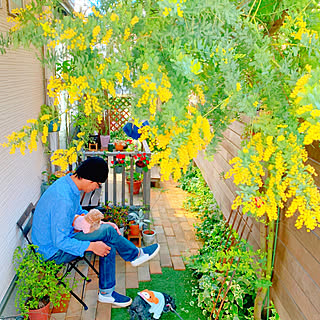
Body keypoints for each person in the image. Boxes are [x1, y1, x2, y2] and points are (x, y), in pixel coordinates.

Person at [32, 157, 160, 307]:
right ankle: (134, 256)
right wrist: (92, 246)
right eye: (97, 185)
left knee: (107, 235)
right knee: (107, 235)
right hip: (53, 252)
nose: (96, 188)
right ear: (90, 180)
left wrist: (100, 223)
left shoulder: (68, 185)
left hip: (64, 236)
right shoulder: (63, 198)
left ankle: (107, 292)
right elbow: (60, 241)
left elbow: (78, 213)